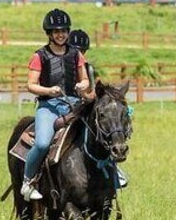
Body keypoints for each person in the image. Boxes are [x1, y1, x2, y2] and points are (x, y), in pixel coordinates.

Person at [21, 10, 90, 202]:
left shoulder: (76, 55)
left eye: (64, 31)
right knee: (42, 142)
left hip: (74, 105)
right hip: (49, 106)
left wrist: (82, 85)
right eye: (56, 31)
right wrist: (48, 91)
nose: (61, 34)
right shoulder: (39, 56)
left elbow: (84, 79)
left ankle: (114, 174)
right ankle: (28, 181)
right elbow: (31, 85)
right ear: (49, 33)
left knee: (100, 133)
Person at [68, 28, 129, 189]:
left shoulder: (88, 68)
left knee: (101, 134)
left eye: (82, 50)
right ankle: (36, 173)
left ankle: (114, 169)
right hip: (62, 106)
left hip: (83, 108)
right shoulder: (59, 65)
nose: (79, 53)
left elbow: (92, 91)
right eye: (75, 50)